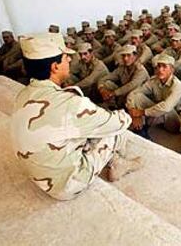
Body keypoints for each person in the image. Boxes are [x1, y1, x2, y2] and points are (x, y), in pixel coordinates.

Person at [11, 33, 136, 201]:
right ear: (55, 67)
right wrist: (127, 114)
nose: (70, 60)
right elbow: (117, 122)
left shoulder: (23, 94)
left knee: (83, 126)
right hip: (65, 185)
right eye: (65, 57)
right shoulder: (69, 103)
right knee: (117, 131)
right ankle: (118, 164)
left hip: (36, 174)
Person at [126, 53, 181, 138]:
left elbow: (166, 107)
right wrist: (132, 111)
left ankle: (143, 128)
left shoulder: (177, 85)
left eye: (164, 66)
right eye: (158, 66)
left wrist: (141, 113)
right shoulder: (154, 80)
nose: (160, 70)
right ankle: (139, 125)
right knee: (138, 97)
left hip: (176, 120)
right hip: (158, 115)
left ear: (171, 70)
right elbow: (133, 93)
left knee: (165, 108)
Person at [98, 45, 149, 109]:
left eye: (128, 55)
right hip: (125, 95)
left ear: (135, 56)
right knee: (107, 83)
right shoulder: (122, 68)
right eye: (123, 55)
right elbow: (105, 78)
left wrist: (113, 93)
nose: (125, 58)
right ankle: (112, 106)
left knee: (133, 96)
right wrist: (102, 89)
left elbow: (131, 86)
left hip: (138, 100)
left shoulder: (140, 70)